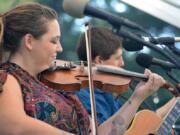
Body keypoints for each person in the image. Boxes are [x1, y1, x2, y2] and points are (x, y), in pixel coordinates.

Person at [0, 2, 166, 135]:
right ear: (29, 41)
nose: (60, 48)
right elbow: (13, 126)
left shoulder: (53, 85)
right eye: (53, 41)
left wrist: (136, 98)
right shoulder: (7, 77)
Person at [76, 27, 176, 124]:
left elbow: (139, 129)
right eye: (117, 58)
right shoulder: (83, 97)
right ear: (99, 61)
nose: (122, 63)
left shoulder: (109, 95)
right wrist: (137, 97)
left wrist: (176, 100)